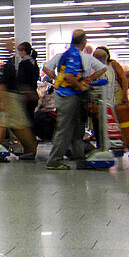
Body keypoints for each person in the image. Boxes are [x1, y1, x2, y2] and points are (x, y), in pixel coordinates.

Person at [42, 30, 108, 171]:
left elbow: (46, 68)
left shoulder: (62, 55)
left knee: (77, 130)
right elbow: (71, 76)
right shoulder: (76, 56)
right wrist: (85, 84)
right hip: (70, 96)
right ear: (84, 42)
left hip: (65, 95)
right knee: (65, 130)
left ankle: (80, 159)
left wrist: (56, 78)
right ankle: (53, 161)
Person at [0, 40, 38, 162]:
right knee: (21, 126)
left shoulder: (14, 63)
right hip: (12, 98)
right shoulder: (16, 63)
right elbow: (7, 83)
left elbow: (4, 83)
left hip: (9, 97)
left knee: (3, 125)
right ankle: (31, 149)